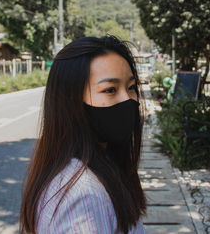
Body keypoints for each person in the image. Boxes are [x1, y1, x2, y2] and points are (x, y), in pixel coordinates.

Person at [20, 36, 147, 234]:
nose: (128, 99)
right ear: (70, 102)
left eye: (131, 87)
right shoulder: (82, 196)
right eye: (110, 89)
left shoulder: (97, 165)